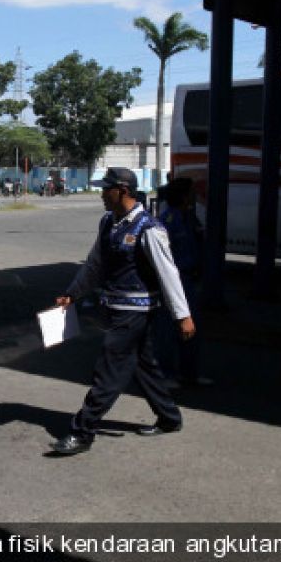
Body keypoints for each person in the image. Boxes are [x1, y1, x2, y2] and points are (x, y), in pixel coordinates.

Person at [50, 167, 196, 456]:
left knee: (109, 370)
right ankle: (169, 418)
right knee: (144, 366)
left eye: (106, 189)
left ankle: (82, 431)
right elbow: (95, 265)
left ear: (123, 191)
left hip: (136, 313)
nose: (102, 195)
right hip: (114, 308)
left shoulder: (149, 228)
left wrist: (183, 315)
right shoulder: (109, 222)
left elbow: (169, 274)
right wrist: (72, 293)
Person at [156, 177, 213, 387]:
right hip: (172, 283)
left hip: (188, 281)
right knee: (168, 330)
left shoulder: (189, 218)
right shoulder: (166, 221)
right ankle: (166, 373)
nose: (194, 196)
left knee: (191, 328)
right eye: (191, 192)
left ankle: (190, 373)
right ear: (182, 195)